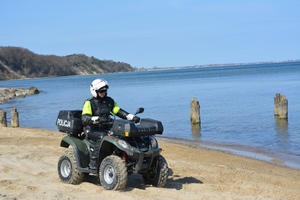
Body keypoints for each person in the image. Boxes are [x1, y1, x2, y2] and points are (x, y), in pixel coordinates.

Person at [81, 78, 140, 170]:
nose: (103, 93)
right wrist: (96, 119)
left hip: (106, 126)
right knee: (103, 136)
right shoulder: (89, 102)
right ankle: (94, 162)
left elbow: (118, 111)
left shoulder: (109, 101)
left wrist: (130, 117)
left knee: (123, 134)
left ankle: (127, 158)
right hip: (92, 129)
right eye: (101, 91)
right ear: (94, 91)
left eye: (104, 91)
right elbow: (85, 118)